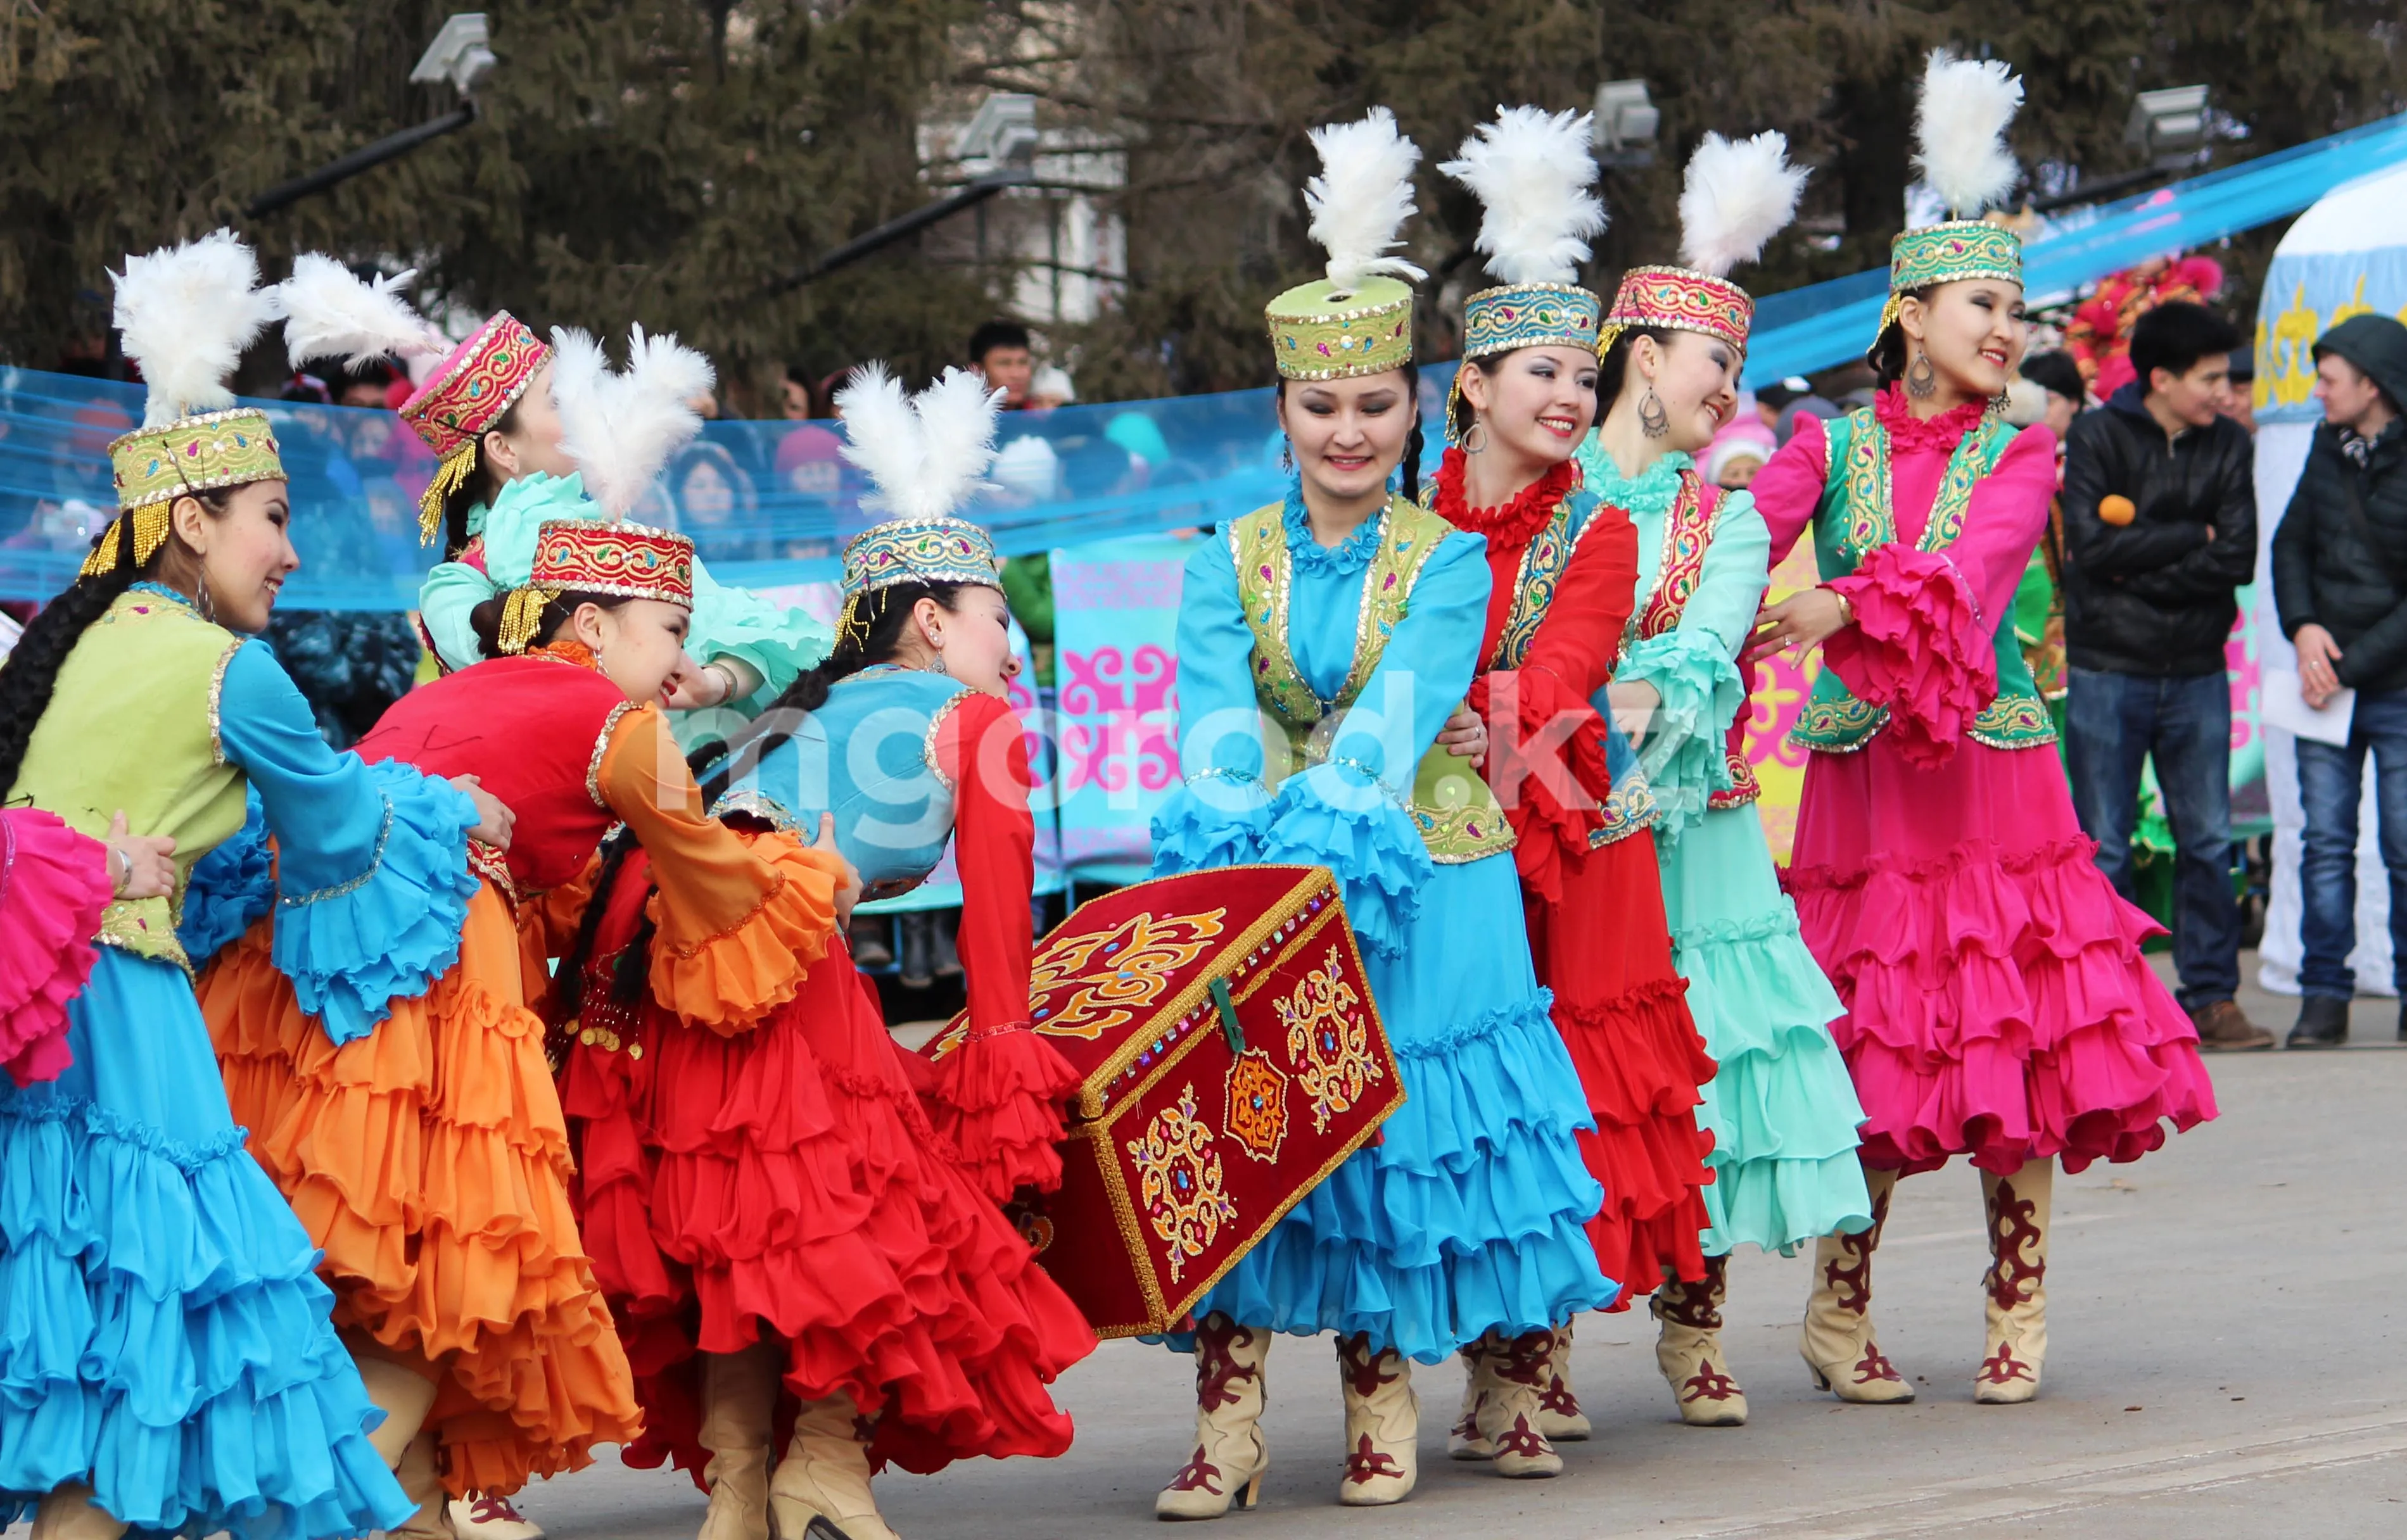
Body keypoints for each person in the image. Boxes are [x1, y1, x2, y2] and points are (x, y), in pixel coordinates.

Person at [203, 302, 791, 1537]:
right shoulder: (620, 722)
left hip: (299, 959)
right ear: (595, 624)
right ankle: (321, 1505)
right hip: (450, 964)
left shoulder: (470, 666)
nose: (683, 665)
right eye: (671, 633)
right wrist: (816, 870)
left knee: (391, 1266)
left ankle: (408, 1506)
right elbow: (718, 885)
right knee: (463, 1266)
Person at [1148, 108, 1614, 1517]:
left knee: (1386, 1137)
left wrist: (1320, 818)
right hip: (1263, 875)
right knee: (1243, 1121)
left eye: (1372, 406)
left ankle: (1383, 1408)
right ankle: (1226, 1429)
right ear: (1281, 414)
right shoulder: (1224, 557)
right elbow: (1209, 723)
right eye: (1319, 408)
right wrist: (1240, 835)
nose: (1347, 431)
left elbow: (1404, 717)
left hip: (1427, 873)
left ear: (1416, 408)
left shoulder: (1446, 563)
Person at [1747, 52, 2216, 1407]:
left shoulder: (2019, 451)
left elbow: (1973, 578)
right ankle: (1838, 1310)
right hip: (1864, 788)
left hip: (1995, 772)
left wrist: (1833, 602)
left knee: (2018, 1034)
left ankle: (2017, 1301)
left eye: (2014, 308)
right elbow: (1735, 548)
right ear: (1910, 313)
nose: (2005, 328)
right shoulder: (1826, 448)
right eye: (1981, 304)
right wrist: (1683, 537)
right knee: (1875, 1044)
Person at [559, 363, 1093, 1540]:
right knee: (854, 1212)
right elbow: (996, 926)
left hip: (657, 944)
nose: (1012, 650)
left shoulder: (809, 708)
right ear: (932, 620)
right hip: (772, 949)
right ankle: (825, 1460)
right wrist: (1003, 1055)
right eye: (998, 617)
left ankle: (743, 1485)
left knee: (750, 1221)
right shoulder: (976, 718)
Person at [0, 231, 479, 1540]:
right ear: (194, 520)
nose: (291, 554)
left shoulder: (73, 639)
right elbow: (340, 836)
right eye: (274, 521)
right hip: (122, 1018)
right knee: (158, 1318)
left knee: (87, 1345)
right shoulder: (229, 671)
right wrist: (455, 804)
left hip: (34, 1008)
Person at [1568, 129, 1874, 1428]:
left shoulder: (1729, 515)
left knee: (1717, 1064)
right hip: (1566, 828)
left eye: (1738, 368)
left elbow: (1705, 653)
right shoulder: (1553, 493)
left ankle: (1693, 1323)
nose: (1728, 388)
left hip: (1693, 829)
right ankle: (1534, 1351)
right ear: (1645, 356)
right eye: (1715, 364)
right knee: (1582, 1080)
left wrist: (1599, 714)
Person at [1421, 104, 1710, 1452]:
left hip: (1567, 822)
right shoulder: (1408, 525)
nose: (1566, 398)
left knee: (1566, 1091)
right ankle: (1488, 1356)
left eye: (1579, 379)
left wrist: (1467, 714)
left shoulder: (1595, 532)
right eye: (1538, 372)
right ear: (1472, 385)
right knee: (1464, 1094)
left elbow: (1572, 667)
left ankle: (1530, 1356)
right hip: (1435, 834)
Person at [313, 272, 827, 710]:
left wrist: (714, 684)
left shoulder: (622, 534)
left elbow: (748, 626)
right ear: (503, 449)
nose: (583, 411)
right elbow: (528, 691)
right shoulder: (458, 586)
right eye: (559, 401)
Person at [2059, 302, 2269, 1051]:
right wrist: (2190, 538)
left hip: (2196, 673)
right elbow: (2087, 547)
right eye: (2210, 377)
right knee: (2103, 845)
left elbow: (2236, 558)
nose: (2224, 391)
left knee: (2208, 840)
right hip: (2106, 669)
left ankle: (2211, 998)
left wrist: (2136, 554)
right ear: (2160, 379)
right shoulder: (2095, 435)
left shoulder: (2228, 448)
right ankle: (2106, 1004)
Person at [2270, 312, 2407, 1047]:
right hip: (2324, 683)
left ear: (2371, 384)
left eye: (2328, 379)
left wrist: (2342, 665)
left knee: (2403, 842)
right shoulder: (2326, 448)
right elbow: (2289, 542)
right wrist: (2302, 627)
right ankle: (2322, 996)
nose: (2317, 391)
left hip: (2388, 685)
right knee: (2323, 841)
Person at [969, 319, 1034, 409]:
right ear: (977, 370)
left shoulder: (1042, 418)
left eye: (1023, 363)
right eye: (1004, 364)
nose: (1016, 375)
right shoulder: (956, 419)